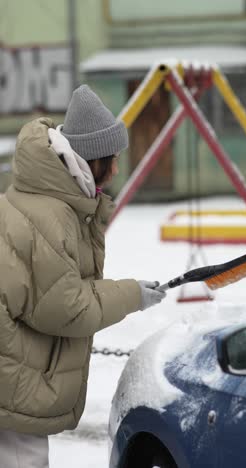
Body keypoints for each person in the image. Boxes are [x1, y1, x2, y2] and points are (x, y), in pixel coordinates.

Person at [0, 84, 166, 467]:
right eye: (114, 157)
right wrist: (131, 296)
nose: (118, 168)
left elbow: (55, 290)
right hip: (13, 379)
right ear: (93, 159)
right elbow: (66, 307)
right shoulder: (52, 216)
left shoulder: (41, 199)